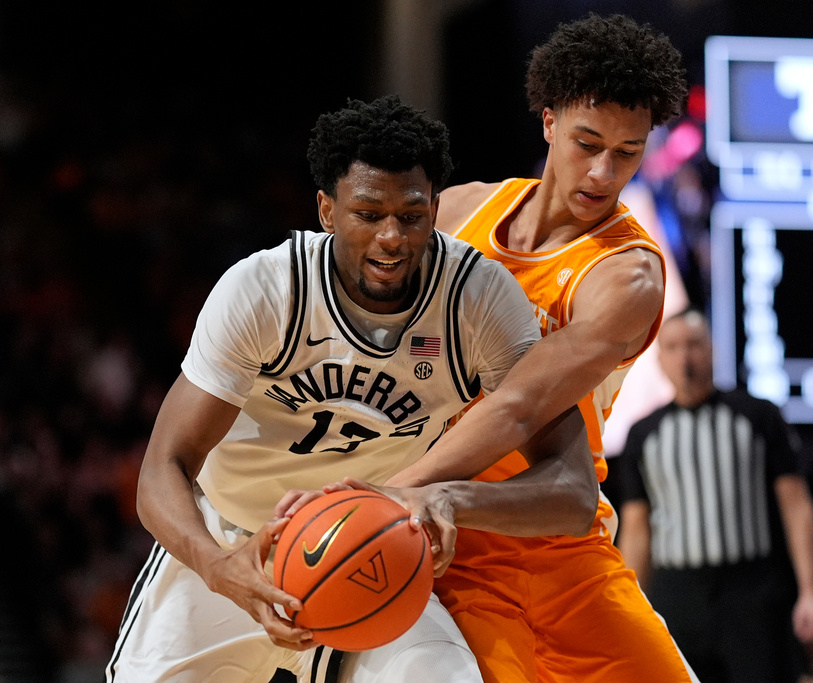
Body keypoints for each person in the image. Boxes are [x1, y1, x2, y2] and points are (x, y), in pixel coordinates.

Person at [104, 94, 601, 683]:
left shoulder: (478, 299)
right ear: (327, 210)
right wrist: (217, 566)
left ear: (435, 207)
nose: (392, 237)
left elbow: (574, 494)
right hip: (235, 537)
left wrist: (449, 498)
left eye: (411, 216)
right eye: (368, 214)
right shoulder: (266, 290)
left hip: (374, 546)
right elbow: (163, 466)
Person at [383, 13, 697, 683]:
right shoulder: (458, 214)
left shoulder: (628, 273)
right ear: (549, 121)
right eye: (588, 142)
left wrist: (386, 493)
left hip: (554, 537)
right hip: (446, 548)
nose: (604, 171)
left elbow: (522, 407)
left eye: (628, 151)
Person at [611, 308, 813, 683]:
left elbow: (796, 506)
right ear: (660, 359)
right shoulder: (642, 435)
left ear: (712, 350)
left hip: (751, 591)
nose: (686, 357)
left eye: (695, 345)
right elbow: (636, 529)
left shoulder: (758, 416)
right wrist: (629, 609)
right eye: (674, 347)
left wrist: (811, 590)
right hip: (677, 593)